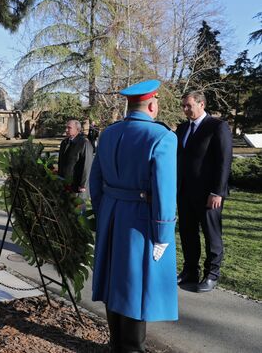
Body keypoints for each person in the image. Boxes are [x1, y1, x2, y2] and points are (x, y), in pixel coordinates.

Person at [90, 80, 178, 352]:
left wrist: (103, 212)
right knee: (135, 285)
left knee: (113, 280)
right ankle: (130, 348)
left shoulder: (109, 133)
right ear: (152, 105)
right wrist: (163, 233)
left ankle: (116, 343)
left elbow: (95, 181)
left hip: (111, 213)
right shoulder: (162, 136)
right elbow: (164, 190)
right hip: (141, 219)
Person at [176, 91, 232, 293]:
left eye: (188, 105)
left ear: (201, 104)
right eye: (183, 105)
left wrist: (217, 192)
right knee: (188, 233)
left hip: (209, 194)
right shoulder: (182, 129)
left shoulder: (217, 126)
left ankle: (211, 274)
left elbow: (224, 162)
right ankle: (190, 270)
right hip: (184, 192)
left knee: (211, 235)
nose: (185, 109)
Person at [57, 119, 93, 197]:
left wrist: (83, 184)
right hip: (64, 184)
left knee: (78, 208)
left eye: (69, 128)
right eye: (66, 127)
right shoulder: (64, 142)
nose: (66, 130)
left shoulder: (84, 143)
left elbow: (87, 165)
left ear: (77, 129)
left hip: (77, 185)